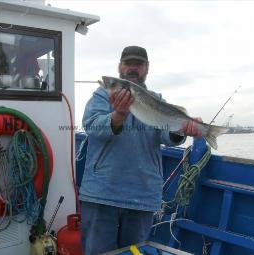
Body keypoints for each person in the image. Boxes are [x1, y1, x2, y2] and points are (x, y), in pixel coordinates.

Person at [79, 46, 202, 255]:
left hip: (142, 196)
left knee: (136, 253)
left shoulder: (157, 100)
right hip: (102, 194)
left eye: (138, 64)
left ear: (147, 68)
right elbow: (92, 126)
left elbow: (168, 136)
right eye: (128, 64)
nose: (132, 68)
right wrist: (119, 114)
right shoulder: (103, 95)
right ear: (120, 67)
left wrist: (182, 129)